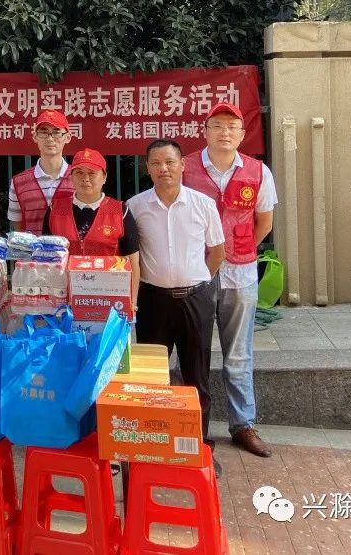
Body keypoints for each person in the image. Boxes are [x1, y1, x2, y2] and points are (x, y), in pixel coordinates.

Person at [182, 102, 277, 458]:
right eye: (217, 125)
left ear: (242, 134)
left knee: (238, 353)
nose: (224, 132)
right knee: (194, 352)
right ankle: (193, 426)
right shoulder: (185, 167)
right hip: (197, 273)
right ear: (205, 131)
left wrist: (237, 250)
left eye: (232, 126)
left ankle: (243, 425)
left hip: (241, 274)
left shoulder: (258, 171)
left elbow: (264, 222)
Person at [127, 139, 225, 473]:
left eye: (170, 162)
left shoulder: (203, 204)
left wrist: (200, 281)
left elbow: (217, 252)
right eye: (156, 163)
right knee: (151, 379)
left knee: (197, 377)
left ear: (183, 165)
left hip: (196, 299)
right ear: (147, 168)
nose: (163, 169)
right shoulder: (135, 207)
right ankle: (154, 447)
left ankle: (200, 447)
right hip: (153, 301)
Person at [44, 148, 140, 309]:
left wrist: (132, 302)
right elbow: (45, 257)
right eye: (79, 173)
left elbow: (133, 262)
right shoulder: (55, 209)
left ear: (104, 177)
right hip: (64, 301)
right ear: (71, 177)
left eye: (92, 173)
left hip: (109, 300)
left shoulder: (120, 211)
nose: (85, 178)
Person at [8, 109, 74, 234]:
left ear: (67, 137)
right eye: (44, 132)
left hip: (69, 247)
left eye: (56, 132)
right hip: (32, 247)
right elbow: (18, 225)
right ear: (35, 137)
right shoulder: (18, 182)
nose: (50, 138)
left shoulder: (79, 178)